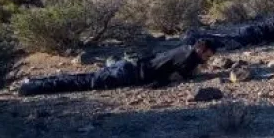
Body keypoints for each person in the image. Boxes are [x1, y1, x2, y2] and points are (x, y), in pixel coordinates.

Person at [18, 40, 217, 96]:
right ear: (202, 50)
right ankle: (32, 88)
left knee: (85, 78)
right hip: (130, 74)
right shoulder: (190, 57)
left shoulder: (184, 48)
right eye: (208, 55)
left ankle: (34, 82)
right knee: (84, 83)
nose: (208, 59)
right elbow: (179, 76)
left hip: (130, 65)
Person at [184, 5, 274, 49]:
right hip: (253, 34)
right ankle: (195, 37)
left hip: (251, 29)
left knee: (223, 35)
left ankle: (196, 35)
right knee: (225, 41)